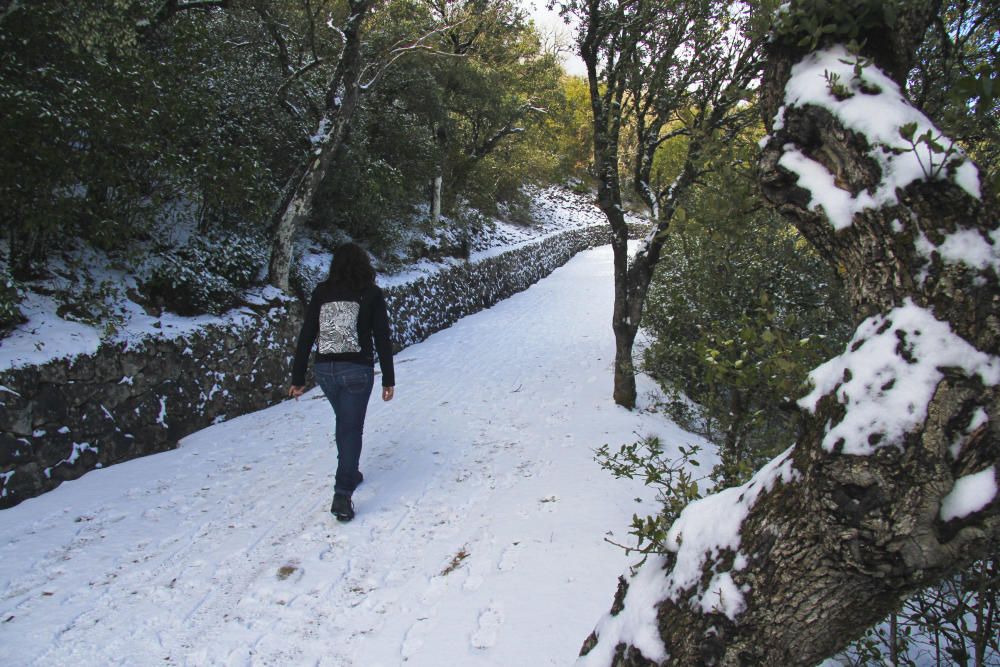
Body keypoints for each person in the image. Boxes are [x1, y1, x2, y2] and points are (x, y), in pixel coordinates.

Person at [289, 243, 395, 522]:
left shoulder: (322, 292)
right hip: (357, 371)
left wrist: (298, 377)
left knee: (345, 424)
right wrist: (388, 378)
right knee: (350, 429)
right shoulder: (371, 293)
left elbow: (307, 335)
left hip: (326, 370)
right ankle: (342, 492)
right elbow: (382, 337)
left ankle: (352, 471)